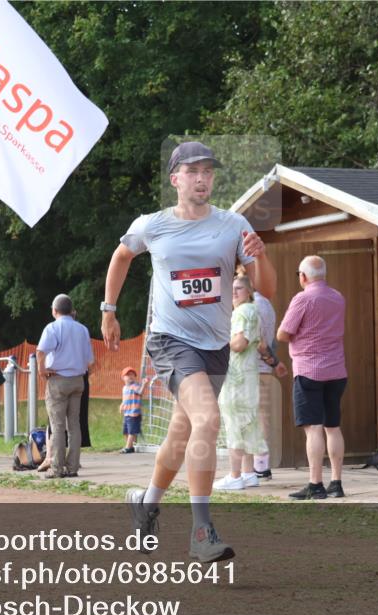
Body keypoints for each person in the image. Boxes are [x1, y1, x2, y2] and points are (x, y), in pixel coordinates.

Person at [102, 140, 276, 563]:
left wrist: (262, 256)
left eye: (209, 172)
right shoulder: (153, 225)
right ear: (176, 179)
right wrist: (109, 309)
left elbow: (266, 290)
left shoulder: (233, 225)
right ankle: (201, 530)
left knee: (181, 434)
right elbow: (122, 255)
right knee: (208, 419)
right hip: (170, 340)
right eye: (193, 172)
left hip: (215, 346)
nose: (202, 178)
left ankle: (146, 503)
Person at [278, 256, 347, 500]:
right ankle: (336, 483)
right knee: (333, 427)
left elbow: (283, 333)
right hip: (337, 371)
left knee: (313, 429)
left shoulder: (303, 298)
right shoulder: (338, 297)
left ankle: (315, 483)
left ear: (303, 276)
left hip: (309, 370)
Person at [214, 275, 269, 491]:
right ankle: (248, 473)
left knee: (234, 424)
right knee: (247, 424)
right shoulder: (252, 311)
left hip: (236, 379)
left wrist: (217, 345)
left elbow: (239, 343)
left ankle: (235, 475)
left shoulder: (243, 311)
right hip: (247, 376)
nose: (234, 292)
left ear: (248, 291)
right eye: (232, 288)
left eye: (239, 288)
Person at [36, 294, 94, 478]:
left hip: (58, 380)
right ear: (71, 310)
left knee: (58, 425)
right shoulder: (82, 329)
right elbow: (91, 361)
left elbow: (40, 351)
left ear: (54, 311)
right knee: (74, 425)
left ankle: (56, 468)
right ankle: (73, 467)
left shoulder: (52, 328)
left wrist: (42, 370)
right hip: (78, 380)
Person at [248, 271, 288, 479]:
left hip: (254, 367)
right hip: (261, 366)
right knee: (259, 416)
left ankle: (259, 465)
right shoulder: (264, 304)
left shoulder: (255, 305)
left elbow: (259, 342)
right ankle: (260, 464)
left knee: (255, 417)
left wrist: (274, 361)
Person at [118, 367, 142, 454]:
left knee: (132, 431)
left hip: (134, 413)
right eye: (127, 375)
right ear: (123, 378)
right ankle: (130, 446)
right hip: (127, 413)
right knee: (125, 431)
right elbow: (124, 399)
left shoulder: (135, 386)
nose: (130, 376)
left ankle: (128, 447)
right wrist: (122, 405)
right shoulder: (125, 388)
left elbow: (140, 392)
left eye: (132, 374)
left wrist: (145, 384)